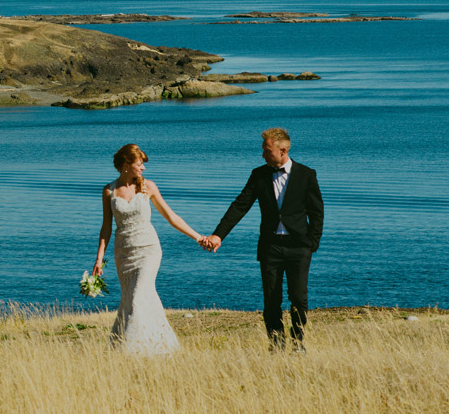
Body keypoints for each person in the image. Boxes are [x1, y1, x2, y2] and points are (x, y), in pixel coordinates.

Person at [199, 127, 324, 351]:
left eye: (267, 150)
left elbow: (317, 212)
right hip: (270, 247)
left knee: (298, 298)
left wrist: (311, 243)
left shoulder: (307, 175)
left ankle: (298, 343)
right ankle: (276, 345)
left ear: (283, 150)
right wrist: (219, 234)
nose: (263, 154)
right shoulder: (259, 175)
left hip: (299, 247)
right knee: (271, 300)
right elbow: (240, 205)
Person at [93, 143, 208, 355]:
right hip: (123, 253)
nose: (143, 169)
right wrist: (99, 259)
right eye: (139, 164)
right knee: (130, 298)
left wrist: (198, 237)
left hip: (148, 249)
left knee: (137, 296)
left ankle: (134, 350)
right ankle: (148, 347)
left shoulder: (148, 187)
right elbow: (106, 227)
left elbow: (171, 217)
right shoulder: (109, 190)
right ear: (126, 165)